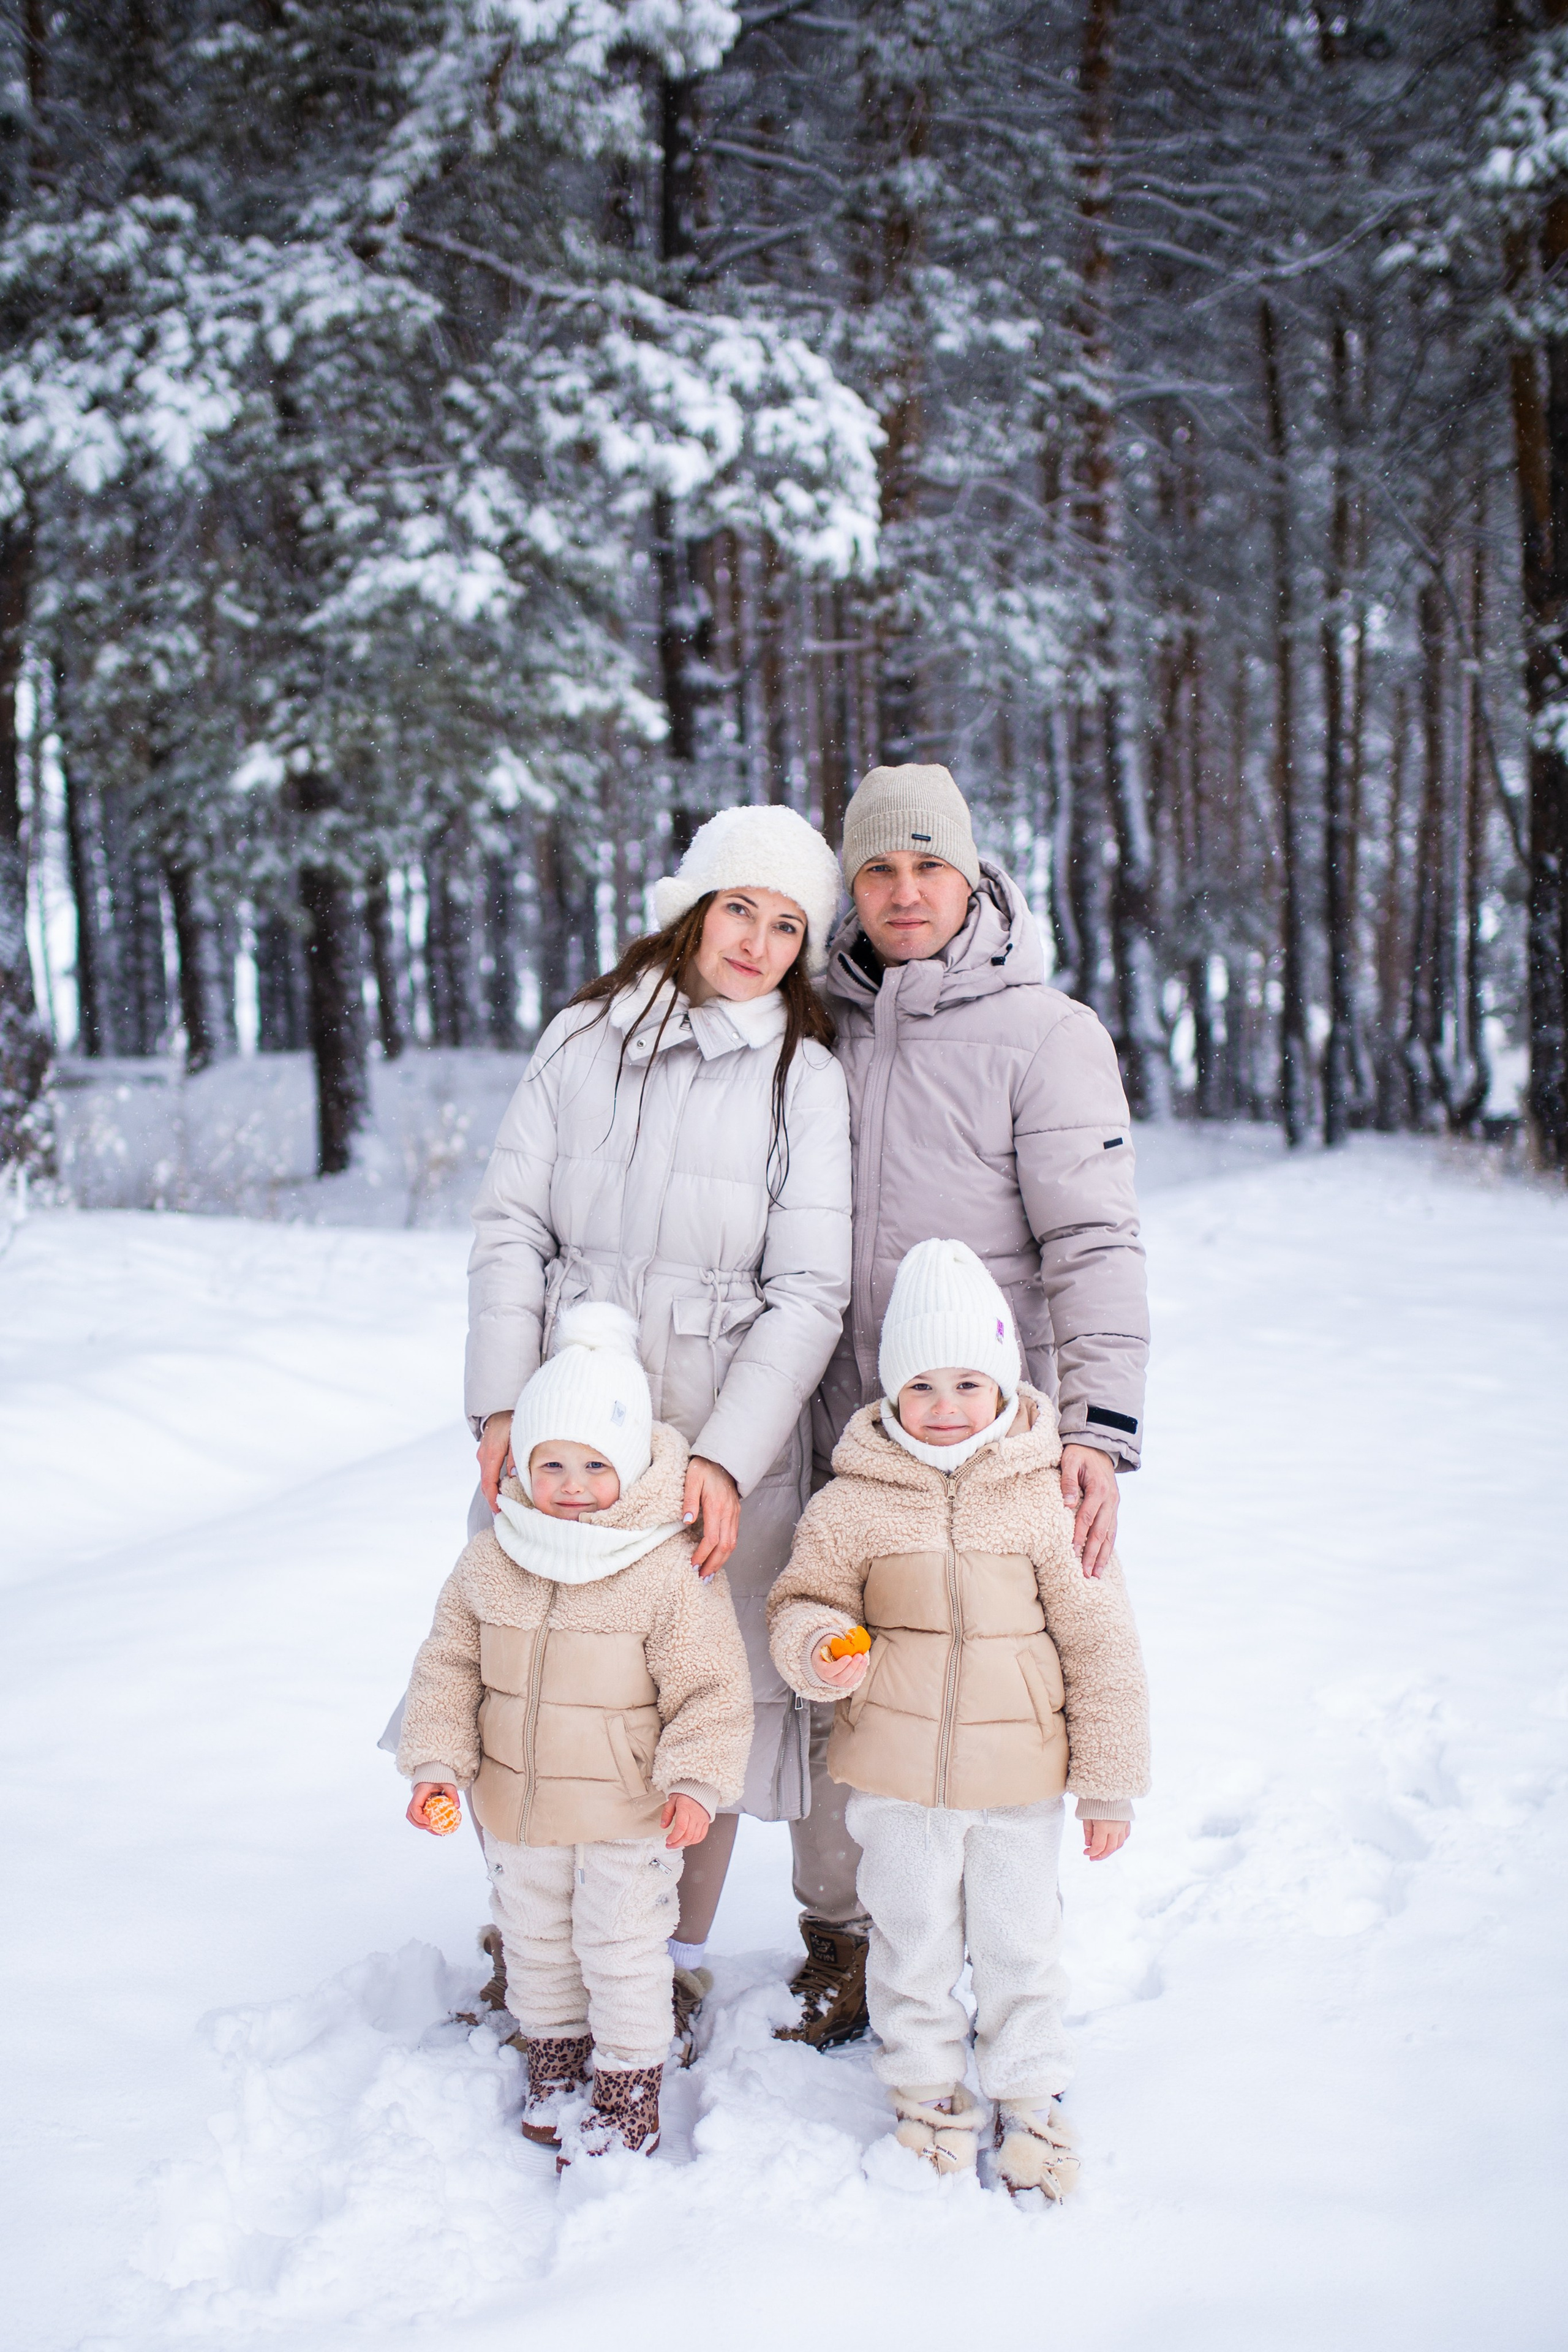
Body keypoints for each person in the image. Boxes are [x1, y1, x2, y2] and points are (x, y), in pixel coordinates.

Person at [779, 761, 1151, 2049]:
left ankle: (1008, 1960)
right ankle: (845, 1940)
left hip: (989, 1444)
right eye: (875, 869)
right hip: (832, 1424)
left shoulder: (1045, 1036)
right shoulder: (802, 1018)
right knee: (840, 1674)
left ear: (973, 875)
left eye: (926, 865)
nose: (901, 892)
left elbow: (1093, 1241)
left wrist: (1096, 1430)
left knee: (996, 1686)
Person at [462, 804, 852, 2012]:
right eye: (741, 906)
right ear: (692, 905)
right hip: (559, 1430)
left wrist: (729, 1460)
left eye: (788, 925)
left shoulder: (804, 1076)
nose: (757, 941)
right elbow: (512, 1228)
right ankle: (538, 1949)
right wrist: (494, 1410)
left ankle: (661, 1969)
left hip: (704, 1430)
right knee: (522, 1670)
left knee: (694, 1696)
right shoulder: (581, 1040)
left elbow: (808, 1289)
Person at [768, 1240, 1150, 2199]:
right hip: (898, 1786)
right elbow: (799, 1604)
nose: (944, 1408)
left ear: (1006, 1383)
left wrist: (1108, 1783)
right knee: (912, 1942)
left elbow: (1103, 1648)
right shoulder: (855, 1503)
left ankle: (1028, 2098)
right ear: (892, 1390)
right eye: (923, 1385)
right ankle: (928, 2091)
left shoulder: (1046, 1500)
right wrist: (820, 1647)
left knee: (1022, 1942)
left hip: (1020, 1785)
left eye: (967, 1383)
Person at [400, 1303, 752, 2163]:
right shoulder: (495, 1557)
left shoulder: (666, 1566)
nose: (569, 1483)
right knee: (536, 1939)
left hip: (629, 1812)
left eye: (595, 1463)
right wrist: (438, 1766)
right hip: (519, 1806)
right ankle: (555, 2059)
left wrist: (696, 1783)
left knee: (623, 1948)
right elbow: (448, 1665)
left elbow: (712, 1688)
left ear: (629, 1468)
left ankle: (630, 2082)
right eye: (551, 1462)